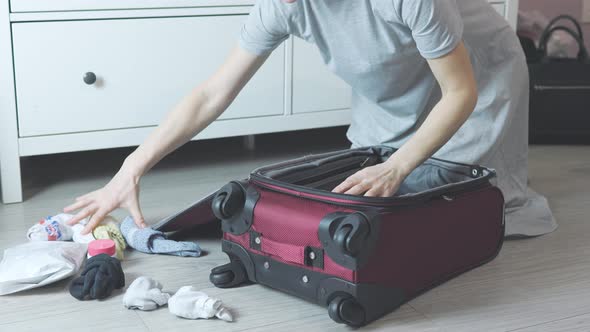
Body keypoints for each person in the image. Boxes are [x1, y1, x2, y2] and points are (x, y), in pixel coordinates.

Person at [64, 0, 557, 237]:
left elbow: (460, 90)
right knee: (374, 193)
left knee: (459, 207)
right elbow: (211, 93)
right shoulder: (284, 4)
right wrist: (130, 169)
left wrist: (399, 166)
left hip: (477, 73)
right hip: (392, 77)